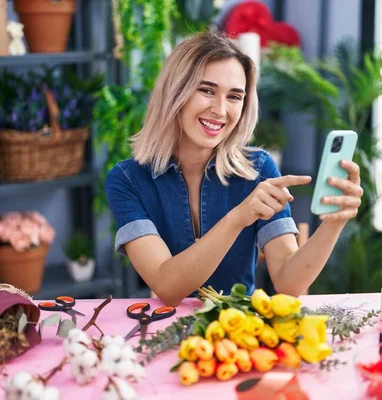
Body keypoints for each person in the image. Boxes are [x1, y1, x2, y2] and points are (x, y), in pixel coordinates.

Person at [105, 31, 363, 306]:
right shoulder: (128, 180)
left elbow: (289, 283)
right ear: (174, 92)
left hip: (239, 332)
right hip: (167, 331)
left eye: (234, 97)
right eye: (206, 90)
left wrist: (334, 223)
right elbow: (167, 287)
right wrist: (238, 217)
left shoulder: (259, 169)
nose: (220, 110)